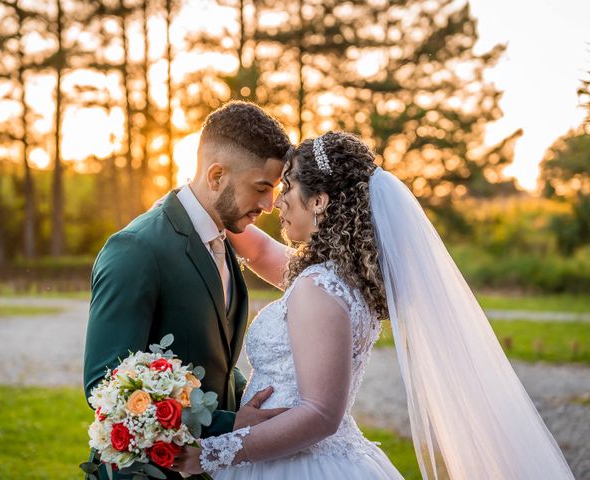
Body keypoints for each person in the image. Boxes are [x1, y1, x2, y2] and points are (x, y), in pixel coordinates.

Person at [171, 131, 575, 479]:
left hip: (293, 463)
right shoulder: (339, 277)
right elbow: (258, 251)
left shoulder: (319, 287)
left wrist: (211, 453)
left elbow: (319, 415)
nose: (278, 201)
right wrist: (194, 200)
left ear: (319, 202)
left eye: (289, 186)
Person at [83, 101, 292, 479]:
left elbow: (214, 362)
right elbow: (105, 382)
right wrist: (229, 424)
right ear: (216, 176)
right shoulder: (137, 249)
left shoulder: (224, 239)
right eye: (261, 188)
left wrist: (255, 401)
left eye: (274, 191)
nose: (268, 205)